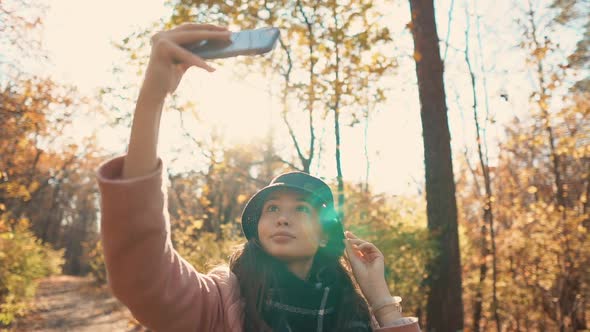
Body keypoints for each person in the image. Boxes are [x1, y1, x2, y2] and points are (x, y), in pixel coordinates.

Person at [96, 23, 421, 332]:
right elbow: (143, 274)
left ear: (325, 236)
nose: (282, 219)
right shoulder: (218, 304)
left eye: (301, 210)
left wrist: (380, 300)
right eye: (273, 208)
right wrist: (154, 96)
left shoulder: (355, 315)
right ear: (257, 229)